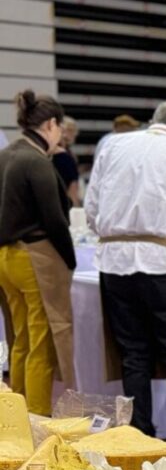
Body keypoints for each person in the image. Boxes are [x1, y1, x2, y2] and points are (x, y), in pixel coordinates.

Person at [85, 102, 166, 452]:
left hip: (113, 260)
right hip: (163, 260)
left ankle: (138, 437)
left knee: (133, 353)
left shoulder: (112, 145)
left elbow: (92, 210)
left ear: (153, 122)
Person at [0, 91, 76, 415]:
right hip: (34, 258)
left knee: (20, 339)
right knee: (41, 344)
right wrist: (70, 259)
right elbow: (55, 219)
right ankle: (37, 420)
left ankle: (15, 414)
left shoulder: (6, 154)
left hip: (5, 258)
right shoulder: (35, 160)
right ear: (50, 124)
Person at [52, 116, 80, 206]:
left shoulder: (68, 154)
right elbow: (73, 189)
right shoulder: (65, 157)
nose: (74, 134)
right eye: (71, 130)